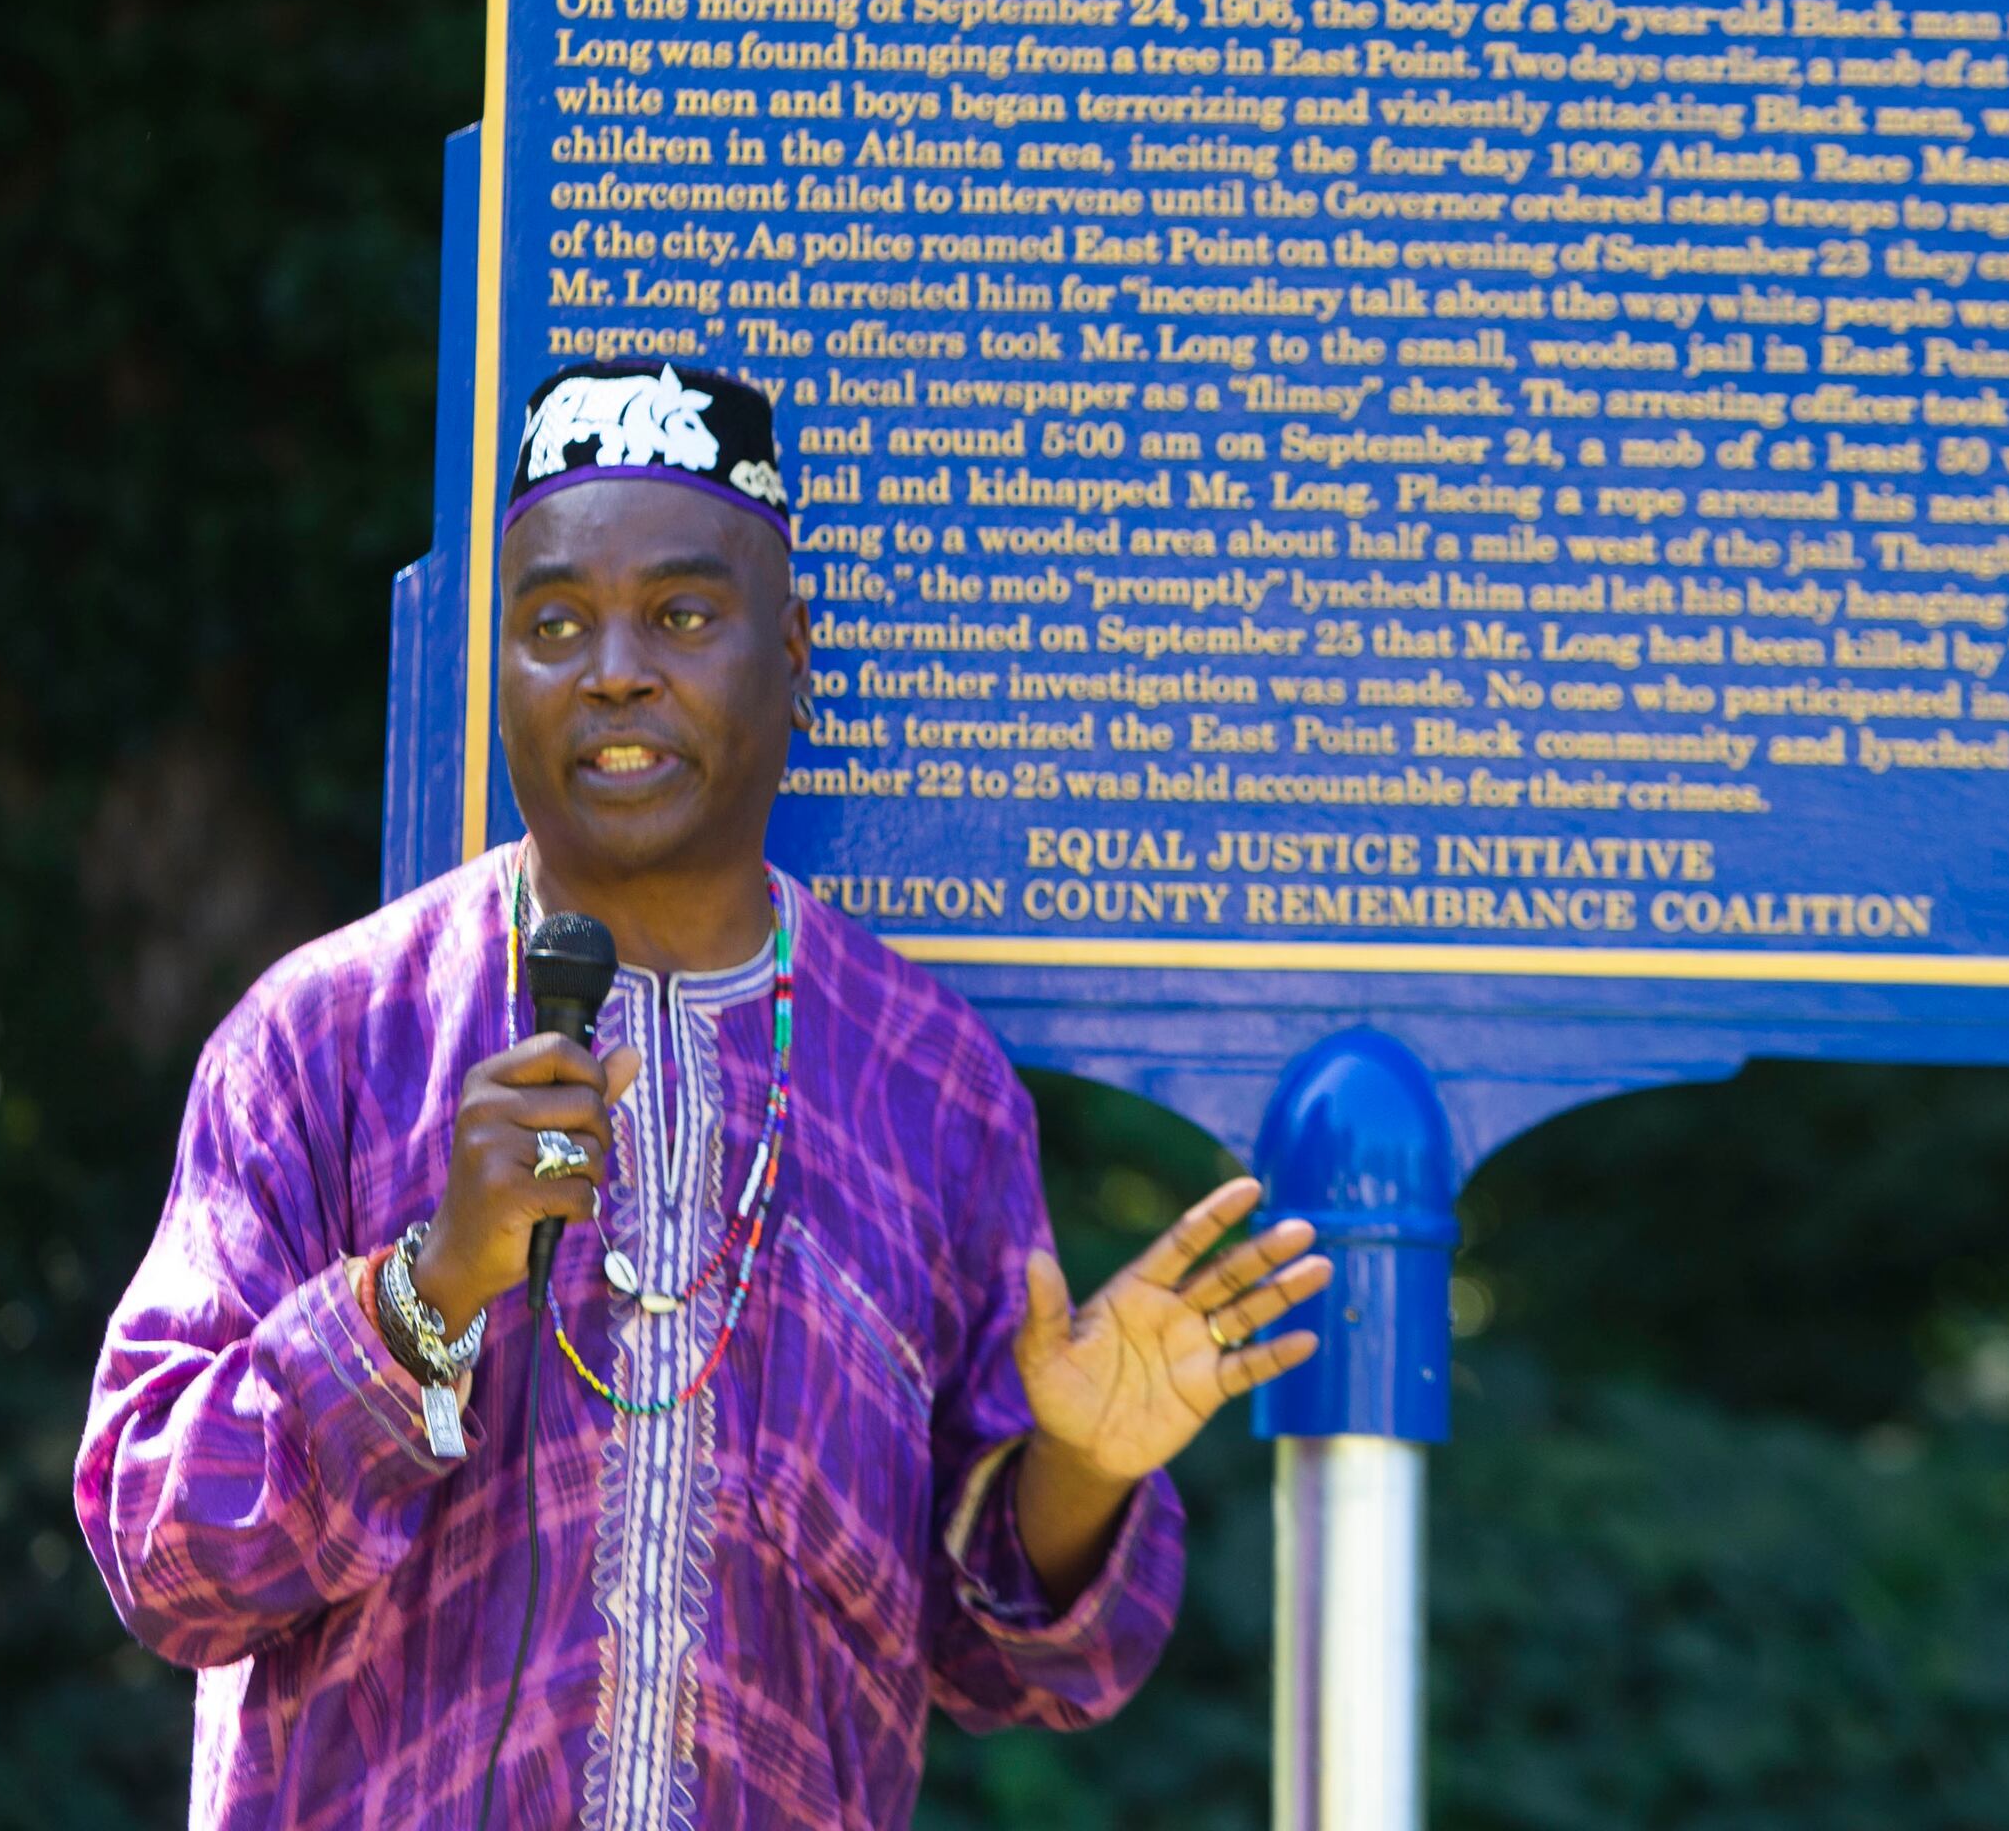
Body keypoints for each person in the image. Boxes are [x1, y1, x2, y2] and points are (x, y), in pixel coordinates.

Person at [77, 359, 1330, 1830]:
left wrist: (1079, 1470)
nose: (613, 669)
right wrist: (423, 1293)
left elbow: (1007, 1671)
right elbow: (164, 1555)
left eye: (680, 615)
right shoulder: (327, 1041)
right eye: (553, 624)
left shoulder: (932, 1082)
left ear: (789, 652)